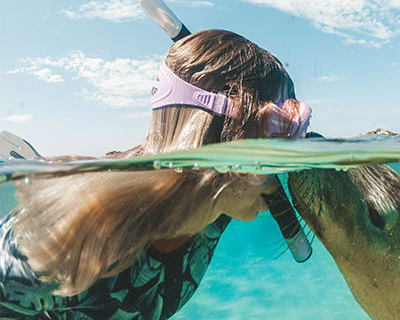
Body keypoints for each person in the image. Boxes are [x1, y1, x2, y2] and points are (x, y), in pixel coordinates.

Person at [0, 29, 310, 319]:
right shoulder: (65, 243)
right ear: (227, 144)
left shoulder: (218, 203)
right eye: (275, 143)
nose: (278, 170)